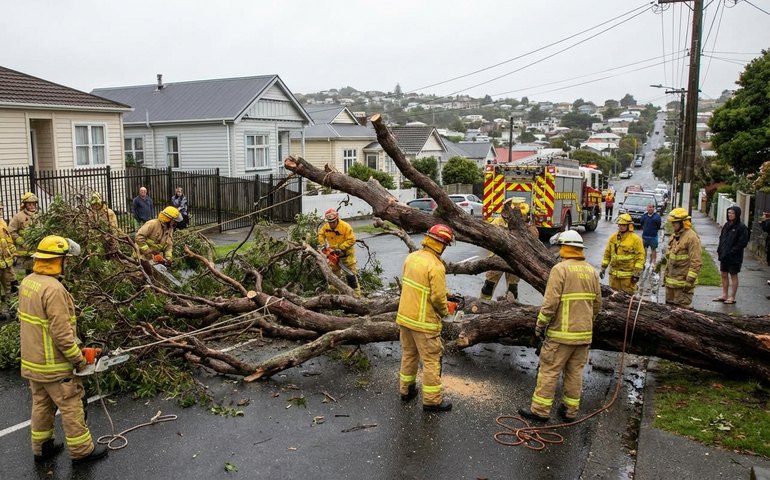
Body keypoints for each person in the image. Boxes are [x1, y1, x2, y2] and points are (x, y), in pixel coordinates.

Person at [19, 235, 108, 464]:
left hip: (32, 362)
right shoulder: (55, 289)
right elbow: (61, 333)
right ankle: (82, 451)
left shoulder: (28, 282)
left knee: (41, 404)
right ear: (58, 261)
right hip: (54, 365)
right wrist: (79, 360)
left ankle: (42, 448)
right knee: (71, 404)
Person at [518, 230, 602, 422]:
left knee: (549, 370)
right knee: (575, 373)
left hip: (560, 335)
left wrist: (540, 324)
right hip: (583, 335)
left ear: (565, 247)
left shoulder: (560, 270)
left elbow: (550, 303)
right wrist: (587, 322)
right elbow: (597, 304)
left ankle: (540, 410)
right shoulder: (591, 271)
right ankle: (570, 411)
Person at [397, 224, 455, 412]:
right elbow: (437, 298)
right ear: (442, 245)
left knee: (408, 355)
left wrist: (449, 293)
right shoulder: (436, 266)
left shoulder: (411, 257)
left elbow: (420, 285)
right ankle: (432, 400)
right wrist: (446, 311)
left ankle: (406, 391)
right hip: (424, 323)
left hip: (405, 318)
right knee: (431, 361)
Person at [479, 198, 539, 302]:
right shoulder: (498, 222)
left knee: (512, 286)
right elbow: (487, 235)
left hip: (515, 259)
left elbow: (534, 237)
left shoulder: (525, 225)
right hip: (497, 257)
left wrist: (526, 227)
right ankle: (482, 303)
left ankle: (512, 306)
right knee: (489, 284)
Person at [661, 208, 702, 307]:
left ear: (683, 223)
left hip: (683, 285)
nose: (673, 225)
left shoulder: (691, 238)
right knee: (668, 311)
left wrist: (689, 282)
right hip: (671, 283)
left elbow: (696, 261)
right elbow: (670, 258)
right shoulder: (675, 235)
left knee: (681, 314)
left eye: (675, 223)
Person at [317, 208, 360, 296]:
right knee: (333, 277)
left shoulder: (345, 227)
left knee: (351, 277)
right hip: (333, 255)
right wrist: (323, 244)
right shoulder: (326, 227)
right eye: (329, 222)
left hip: (346, 255)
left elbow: (352, 240)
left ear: (337, 219)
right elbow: (320, 234)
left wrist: (340, 247)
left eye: (333, 222)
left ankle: (357, 297)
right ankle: (335, 297)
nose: (331, 224)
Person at [600, 213, 645, 294]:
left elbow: (640, 257)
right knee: (613, 298)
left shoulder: (636, 239)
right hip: (614, 277)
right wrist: (603, 267)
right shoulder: (613, 237)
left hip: (627, 278)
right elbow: (607, 254)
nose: (621, 227)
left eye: (623, 225)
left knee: (627, 300)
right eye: (620, 225)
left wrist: (636, 274)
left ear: (629, 226)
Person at [714, 206, 749, 305]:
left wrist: (733, 251)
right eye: (729, 213)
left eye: (732, 213)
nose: (730, 215)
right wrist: (720, 249)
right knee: (723, 274)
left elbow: (743, 242)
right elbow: (722, 238)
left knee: (733, 275)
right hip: (724, 254)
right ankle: (724, 294)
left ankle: (732, 297)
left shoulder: (741, 227)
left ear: (737, 214)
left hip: (734, 256)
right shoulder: (726, 225)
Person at [9, 192, 39, 274]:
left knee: (38, 270)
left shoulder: (39, 215)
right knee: (29, 271)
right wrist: (21, 241)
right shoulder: (18, 216)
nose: (32, 206)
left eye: (34, 204)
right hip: (25, 250)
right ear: (24, 205)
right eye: (29, 204)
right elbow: (11, 230)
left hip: (38, 249)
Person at [0, 201, 16, 311]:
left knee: (11, 284)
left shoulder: (2, 222)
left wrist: (13, 252)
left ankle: (12, 308)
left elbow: (8, 239)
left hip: (6, 261)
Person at [640, 202, 662, 266]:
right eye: (649, 207)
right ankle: (643, 262)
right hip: (645, 236)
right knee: (644, 250)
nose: (650, 209)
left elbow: (658, 225)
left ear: (653, 208)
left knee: (653, 249)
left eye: (652, 207)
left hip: (653, 236)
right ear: (647, 208)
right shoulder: (644, 216)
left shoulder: (657, 216)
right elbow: (641, 223)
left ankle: (653, 263)